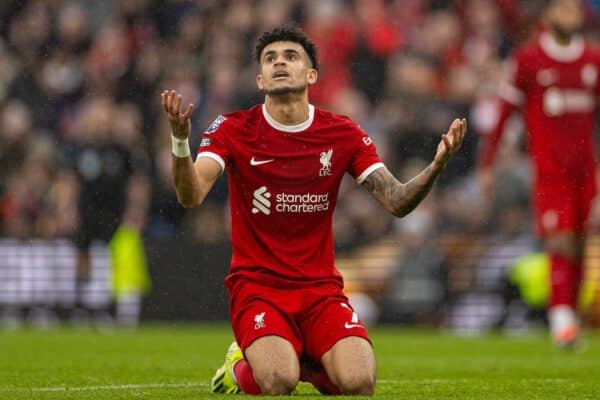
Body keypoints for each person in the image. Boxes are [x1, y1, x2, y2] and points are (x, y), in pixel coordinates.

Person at [161, 25, 467, 396]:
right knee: (279, 380)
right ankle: (243, 364)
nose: (279, 63)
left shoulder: (341, 133)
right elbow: (191, 196)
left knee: (360, 381)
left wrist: (436, 167)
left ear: (311, 75)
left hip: (320, 291)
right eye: (270, 59)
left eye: (290, 57)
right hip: (259, 288)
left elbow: (397, 201)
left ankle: (293, 351)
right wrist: (180, 142)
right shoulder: (232, 128)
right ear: (259, 78)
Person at [478, 0, 600, 348]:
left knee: (579, 244)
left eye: (575, 11)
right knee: (559, 239)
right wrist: (488, 162)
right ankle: (561, 321)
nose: (570, 17)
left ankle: (569, 318)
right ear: (548, 15)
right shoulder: (529, 60)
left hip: (586, 171)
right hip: (549, 170)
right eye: (563, 10)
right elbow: (505, 112)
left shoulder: (593, 60)